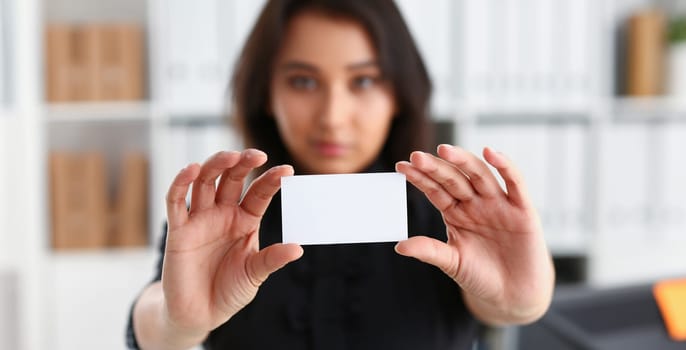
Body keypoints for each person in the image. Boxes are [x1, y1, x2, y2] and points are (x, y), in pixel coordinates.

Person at [127, 0, 555, 349]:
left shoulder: (450, 215)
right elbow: (160, 320)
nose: (333, 118)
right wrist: (176, 323)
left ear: (400, 95)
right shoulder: (220, 216)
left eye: (364, 81)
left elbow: (502, 306)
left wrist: (520, 304)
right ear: (265, 95)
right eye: (303, 82)